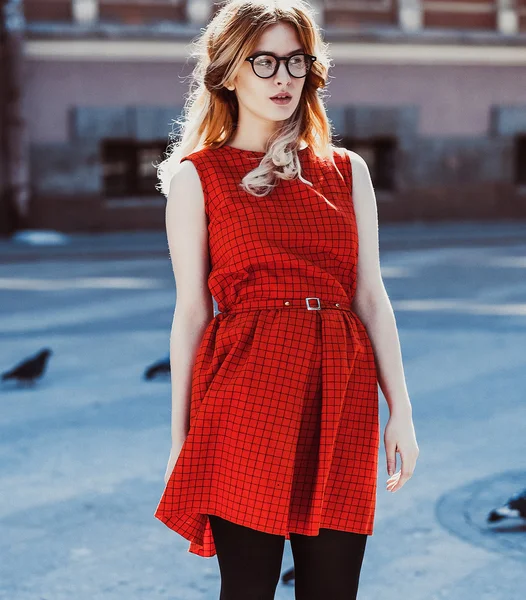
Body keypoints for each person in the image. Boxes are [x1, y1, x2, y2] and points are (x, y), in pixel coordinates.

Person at [153, 1, 420, 598]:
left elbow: (370, 295)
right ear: (229, 73)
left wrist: (399, 407)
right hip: (245, 396)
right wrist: (179, 440)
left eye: (296, 62)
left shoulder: (347, 172)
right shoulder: (199, 177)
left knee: (332, 587)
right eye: (265, 62)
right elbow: (192, 313)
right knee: (247, 588)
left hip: (341, 392)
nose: (283, 79)